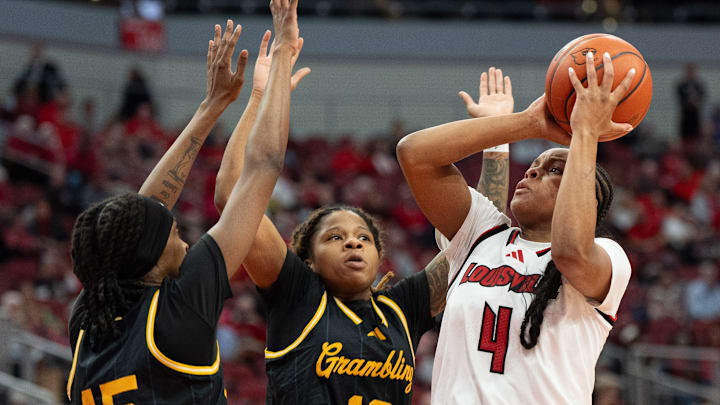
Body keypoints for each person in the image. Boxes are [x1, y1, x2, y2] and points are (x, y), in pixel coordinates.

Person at [214, 56, 512, 401]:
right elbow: (230, 195)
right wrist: (259, 99)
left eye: (363, 238)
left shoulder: (401, 308)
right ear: (308, 260)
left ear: (378, 254)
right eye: (335, 237)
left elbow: (483, 237)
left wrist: (497, 138)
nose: (353, 244)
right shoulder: (297, 295)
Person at [65, 0, 301, 401]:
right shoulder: (180, 309)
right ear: (151, 255)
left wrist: (212, 107)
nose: (186, 242)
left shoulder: (89, 319)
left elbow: (142, 216)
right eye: (174, 234)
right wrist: (279, 60)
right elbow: (262, 166)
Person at [397, 51, 633, 404]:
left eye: (555, 170)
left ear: (587, 197)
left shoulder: (610, 257)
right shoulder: (481, 236)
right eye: (535, 165)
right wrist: (527, 123)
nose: (533, 171)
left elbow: (569, 252)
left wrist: (586, 133)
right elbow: (414, 153)